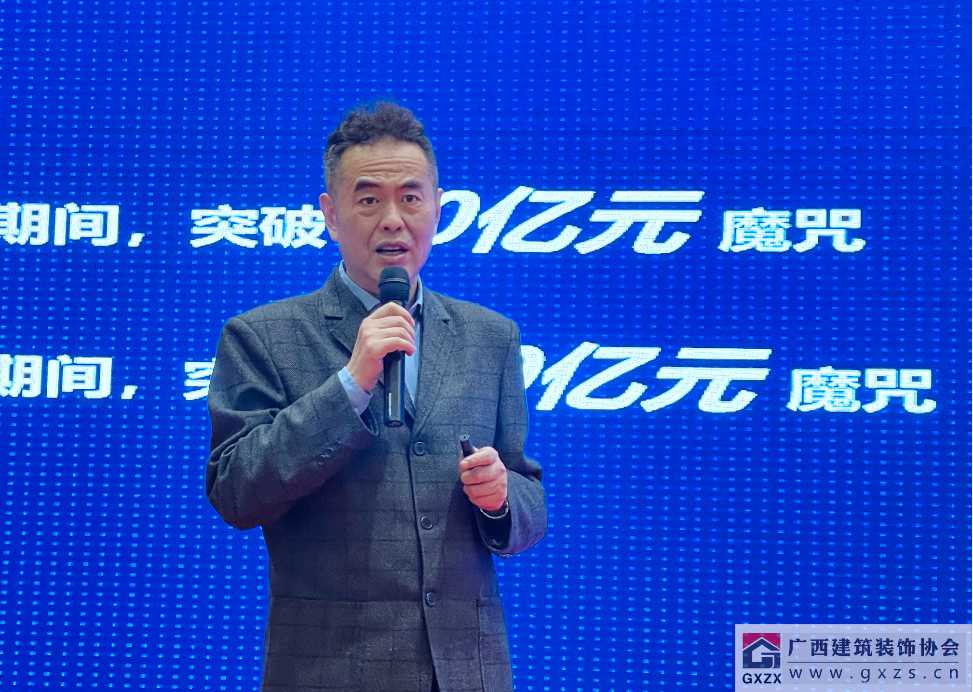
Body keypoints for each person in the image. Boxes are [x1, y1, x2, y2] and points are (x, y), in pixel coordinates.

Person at [205, 102, 547, 692]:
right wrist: (350, 385)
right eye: (368, 200)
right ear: (330, 216)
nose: (393, 219)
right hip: (328, 672)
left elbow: (528, 501)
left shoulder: (491, 337)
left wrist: (500, 500)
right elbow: (236, 491)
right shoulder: (262, 336)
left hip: (466, 673)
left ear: (438, 208)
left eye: (411, 197)